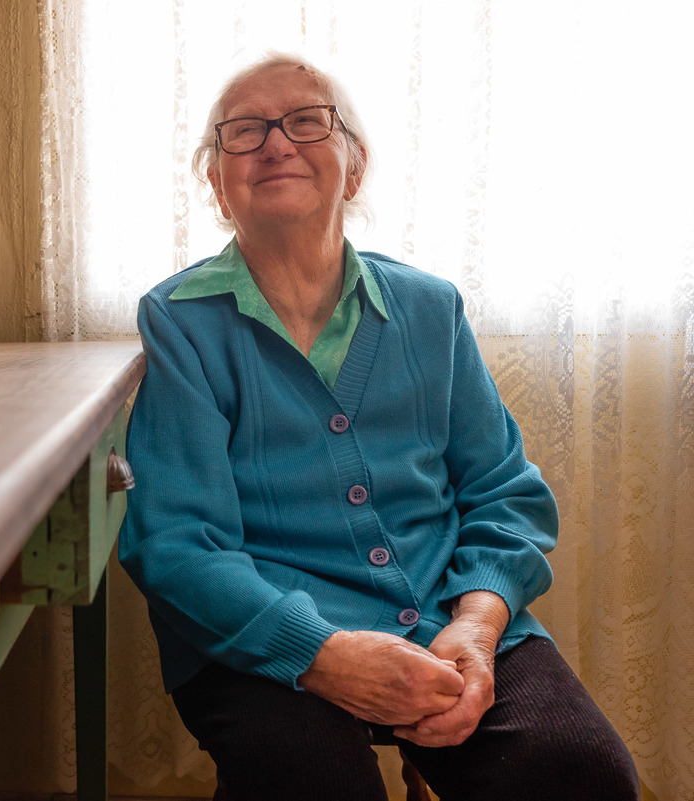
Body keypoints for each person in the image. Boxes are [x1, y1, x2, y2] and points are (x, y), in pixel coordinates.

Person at [118, 53, 639, 801]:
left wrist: (477, 627)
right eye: (243, 131)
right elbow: (177, 542)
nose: (275, 142)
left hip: (446, 614)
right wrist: (323, 653)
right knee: (313, 783)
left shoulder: (431, 308)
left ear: (354, 169)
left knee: (581, 774)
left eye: (306, 120)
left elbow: (503, 492)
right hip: (264, 637)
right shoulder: (180, 321)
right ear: (216, 184)